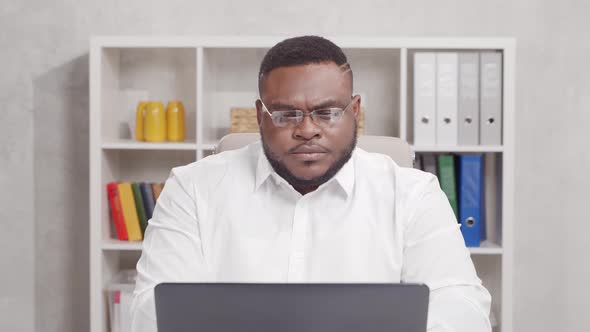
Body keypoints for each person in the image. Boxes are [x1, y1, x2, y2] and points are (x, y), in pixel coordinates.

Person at [131, 35, 492, 332]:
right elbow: (150, 315)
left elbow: (464, 312)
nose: (307, 130)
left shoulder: (414, 195)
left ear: (355, 111)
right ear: (260, 116)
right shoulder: (192, 189)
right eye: (287, 114)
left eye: (328, 112)